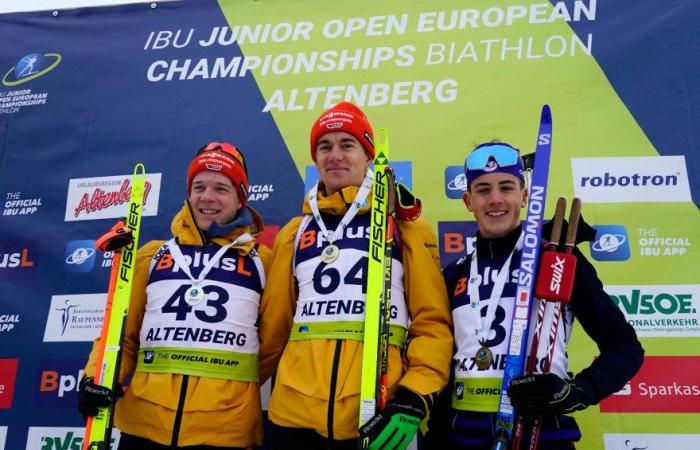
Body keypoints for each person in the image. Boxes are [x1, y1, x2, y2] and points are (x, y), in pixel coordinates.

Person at [258, 101, 453, 450]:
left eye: (347, 145)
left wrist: (414, 396)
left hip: (379, 414)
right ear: (315, 160)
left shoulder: (406, 228)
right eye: (324, 146)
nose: (335, 155)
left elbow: (433, 324)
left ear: (368, 156)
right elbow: (273, 329)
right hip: (293, 418)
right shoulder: (294, 232)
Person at [430, 142, 644, 449]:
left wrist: (577, 392)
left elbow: (624, 347)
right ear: (468, 201)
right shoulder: (455, 275)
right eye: (482, 189)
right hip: (465, 436)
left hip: (541, 433)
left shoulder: (556, 259)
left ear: (525, 195)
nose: (495, 199)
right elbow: (444, 366)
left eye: (506, 187)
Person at [77, 142, 271, 449]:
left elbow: (273, 345)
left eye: (221, 188)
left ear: (241, 197)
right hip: (145, 425)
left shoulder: (263, 260)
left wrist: (231, 387)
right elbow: (121, 336)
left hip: (223, 430)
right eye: (199, 186)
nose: (207, 197)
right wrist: (95, 378)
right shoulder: (152, 256)